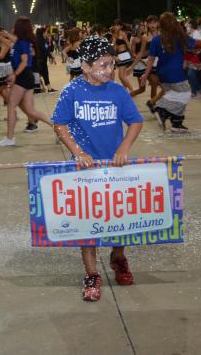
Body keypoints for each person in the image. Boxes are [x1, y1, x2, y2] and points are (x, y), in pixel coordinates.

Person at [51, 35, 144, 301]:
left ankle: (118, 256)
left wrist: (124, 148)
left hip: (114, 167)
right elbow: (60, 124)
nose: (108, 70)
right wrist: (77, 152)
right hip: (84, 171)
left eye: (111, 64)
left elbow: (135, 122)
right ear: (86, 67)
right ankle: (92, 273)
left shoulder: (117, 91)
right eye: (102, 65)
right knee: (87, 222)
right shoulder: (72, 91)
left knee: (118, 219)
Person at [141, 12, 201, 132]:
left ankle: (177, 124)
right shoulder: (179, 37)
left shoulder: (156, 39)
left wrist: (146, 73)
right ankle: (161, 111)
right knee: (185, 93)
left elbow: (151, 58)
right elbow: (197, 43)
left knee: (175, 95)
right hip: (176, 72)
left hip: (162, 73)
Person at [0, 17, 53, 147]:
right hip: (25, 76)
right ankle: (58, 128)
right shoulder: (20, 42)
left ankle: (10, 138)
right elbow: (13, 42)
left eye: (15, 26)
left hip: (23, 76)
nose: (12, 28)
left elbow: (25, 61)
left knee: (11, 105)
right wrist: (4, 36)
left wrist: (14, 74)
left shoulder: (23, 43)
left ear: (19, 28)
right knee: (30, 111)